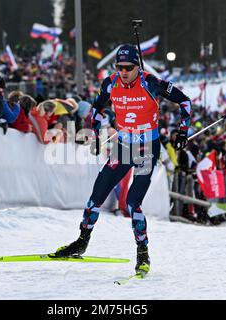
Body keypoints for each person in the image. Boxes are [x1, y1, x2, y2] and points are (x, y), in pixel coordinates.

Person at [53, 44, 191, 275]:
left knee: (132, 203)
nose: (124, 72)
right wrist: (96, 135)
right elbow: (96, 110)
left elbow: (184, 101)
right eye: (120, 67)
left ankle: (143, 253)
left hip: (147, 147)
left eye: (128, 67)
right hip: (124, 146)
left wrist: (183, 131)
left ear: (137, 66)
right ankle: (82, 241)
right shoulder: (110, 83)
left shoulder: (151, 82)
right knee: (96, 196)